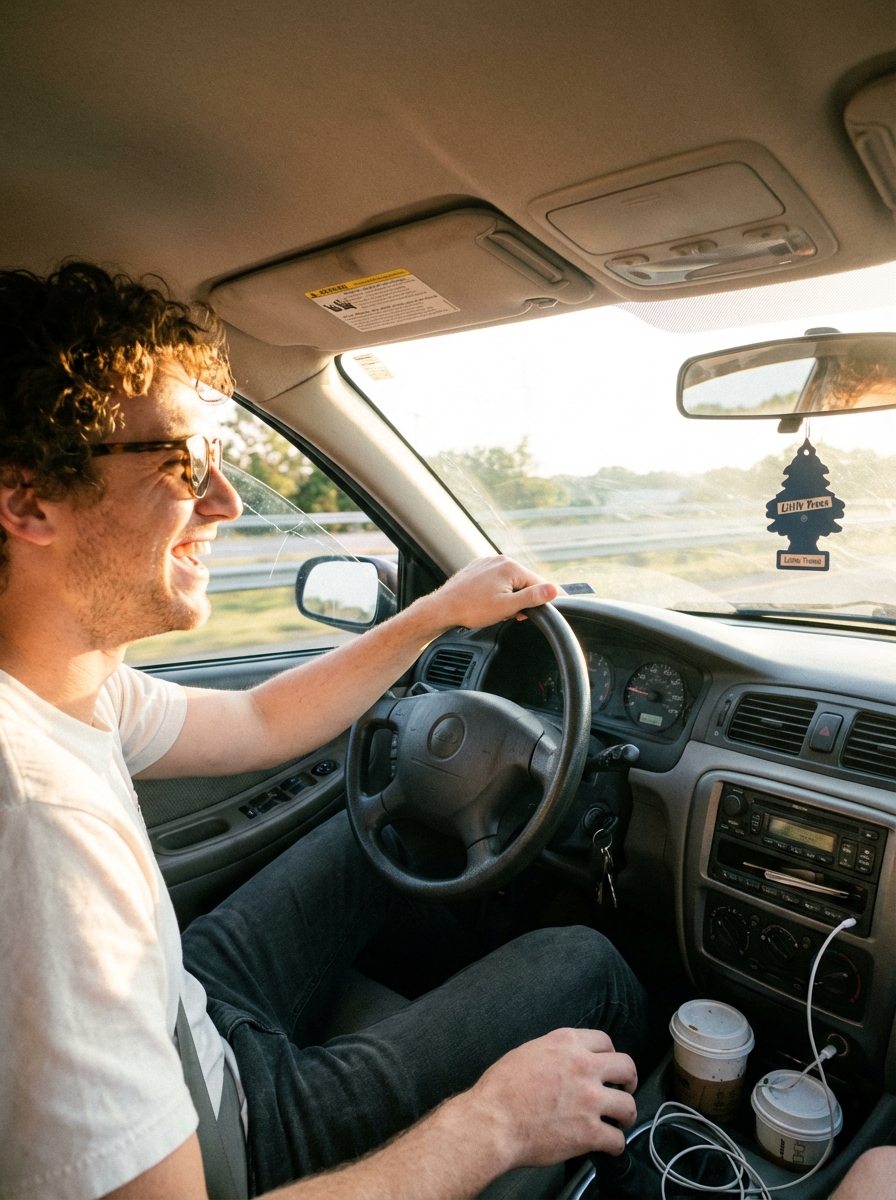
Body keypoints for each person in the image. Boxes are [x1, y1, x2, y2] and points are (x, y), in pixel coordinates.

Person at [0, 263, 652, 1200]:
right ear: (28, 502)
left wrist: (433, 613)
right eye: (185, 463)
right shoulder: (41, 828)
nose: (225, 501)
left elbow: (261, 717)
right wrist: (494, 1121)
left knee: (381, 829)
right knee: (584, 964)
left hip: (190, 1012)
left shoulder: (62, 684)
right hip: (238, 1133)